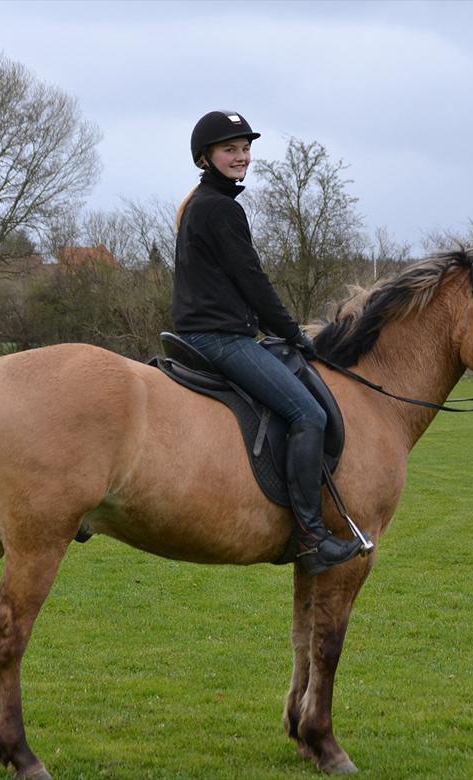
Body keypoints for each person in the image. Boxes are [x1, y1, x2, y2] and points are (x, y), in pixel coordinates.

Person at [172, 109, 363, 575]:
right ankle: (312, 536)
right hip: (220, 338)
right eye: (230, 150)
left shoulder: (201, 204)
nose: (241, 157)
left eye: (245, 149)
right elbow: (252, 280)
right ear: (205, 157)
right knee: (308, 414)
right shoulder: (220, 208)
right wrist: (293, 333)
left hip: (204, 330)